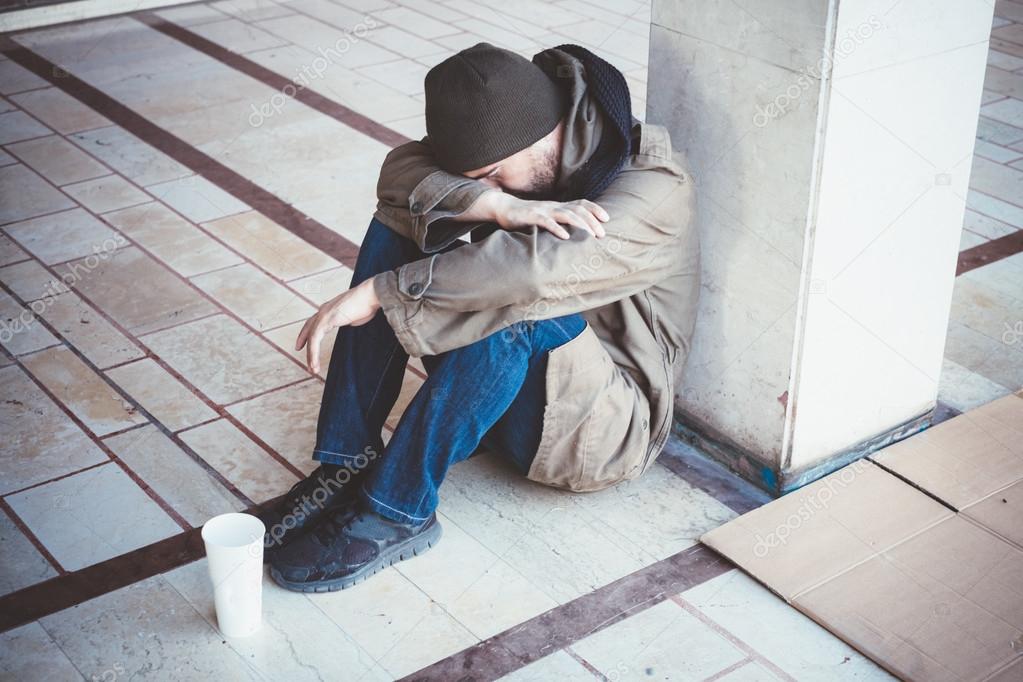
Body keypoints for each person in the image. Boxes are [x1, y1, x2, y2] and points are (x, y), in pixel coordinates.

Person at [258, 42, 700, 593]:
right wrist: (498, 205)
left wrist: (384, 291)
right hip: (512, 396)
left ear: (543, 136)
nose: (484, 185)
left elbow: (536, 274)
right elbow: (401, 173)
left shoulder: (653, 185)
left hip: (600, 431)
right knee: (402, 222)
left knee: (517, 303)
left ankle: (397, 509)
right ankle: (345, 466)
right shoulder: (518, 143)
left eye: (491, 175)